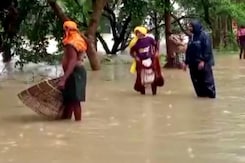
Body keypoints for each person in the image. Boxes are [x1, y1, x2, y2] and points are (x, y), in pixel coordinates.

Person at [58, 20, 87, 121]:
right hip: (75, 73)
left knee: (74, 101)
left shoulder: (71, 43)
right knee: (69, 100)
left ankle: (77, 124)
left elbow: (72, 61)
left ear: (67, 30)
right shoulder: (78, 39)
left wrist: (64, 79)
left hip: (75, 73)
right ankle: (68, 125)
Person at [183, 20, 216, 98]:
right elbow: (189, 50)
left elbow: (207, 49)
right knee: (197, 83)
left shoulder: (205, 35)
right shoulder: (192, 37)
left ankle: (211, 101)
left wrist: (203, 61)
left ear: (196, 26)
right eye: (189, 26)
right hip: (193, 64)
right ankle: (202, 100)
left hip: (204, 63)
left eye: (191, 26)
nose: (189, 28)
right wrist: (186, 62)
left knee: (207, 83)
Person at [129, 26, 164, 95]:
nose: (138, 34)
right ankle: (143, 94)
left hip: (150, 60)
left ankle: (154, 93)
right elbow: (131, 52)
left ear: (143, 32)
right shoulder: (135, 42)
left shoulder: (149, 39)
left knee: (153, 77)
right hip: (140, 63)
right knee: (141, 79)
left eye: (139, 32)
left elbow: (156, 46)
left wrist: (156, 53)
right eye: (137, 33)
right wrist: (136, 57)